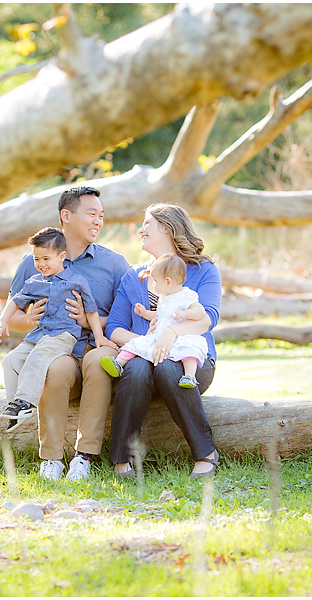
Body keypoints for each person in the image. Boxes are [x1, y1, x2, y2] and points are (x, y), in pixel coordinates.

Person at [4, 186, 129, 481]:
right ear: (66, 216)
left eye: (101, 215)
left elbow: (127, 323)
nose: (99, 220)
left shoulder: (113, 263)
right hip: (56, 347)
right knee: (55, 367)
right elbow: (15, 316)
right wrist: (30, 318)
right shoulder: (34, 261)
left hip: (99, 344)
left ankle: (84, 456)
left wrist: (88, 321)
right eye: (91, 214)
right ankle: (51, 458)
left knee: (98, 362)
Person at [105, 203, 222, 479]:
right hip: (144, 363)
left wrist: (170, 333)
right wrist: (146, 342)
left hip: (190, 361)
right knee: (135, 368)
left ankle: (205, 453)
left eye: (147, 224)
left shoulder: (203, 270)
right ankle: (122, 460)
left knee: (168, 368)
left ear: (168, 229)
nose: (140, 229)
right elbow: (114, 328)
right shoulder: (133, 277)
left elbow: (208, 318)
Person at [0, 227, 117, 430]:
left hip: (63, 334)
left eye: (45, 259)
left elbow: (92, 312)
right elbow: (15, 302)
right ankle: (15, 408)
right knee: (11, 360)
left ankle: (26, 401)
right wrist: (3, 320)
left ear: (62, 257)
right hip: (40, 334)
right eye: (36, 260)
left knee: (39, 355)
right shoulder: (34, 282)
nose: (41, 264)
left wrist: (99, 337)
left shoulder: (76, 282)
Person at [100, 253, 208, 389]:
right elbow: (160, 315)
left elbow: (200, 312)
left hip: (178, 338)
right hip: (159, 338)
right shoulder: (164, 298)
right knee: (137, 343)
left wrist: (185, 313)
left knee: (189, 350)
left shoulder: (185, 295)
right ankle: (119, 363)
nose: (153, 285)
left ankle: (190, 376)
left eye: (156, 281)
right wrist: (145, 313)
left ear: (168, 282)